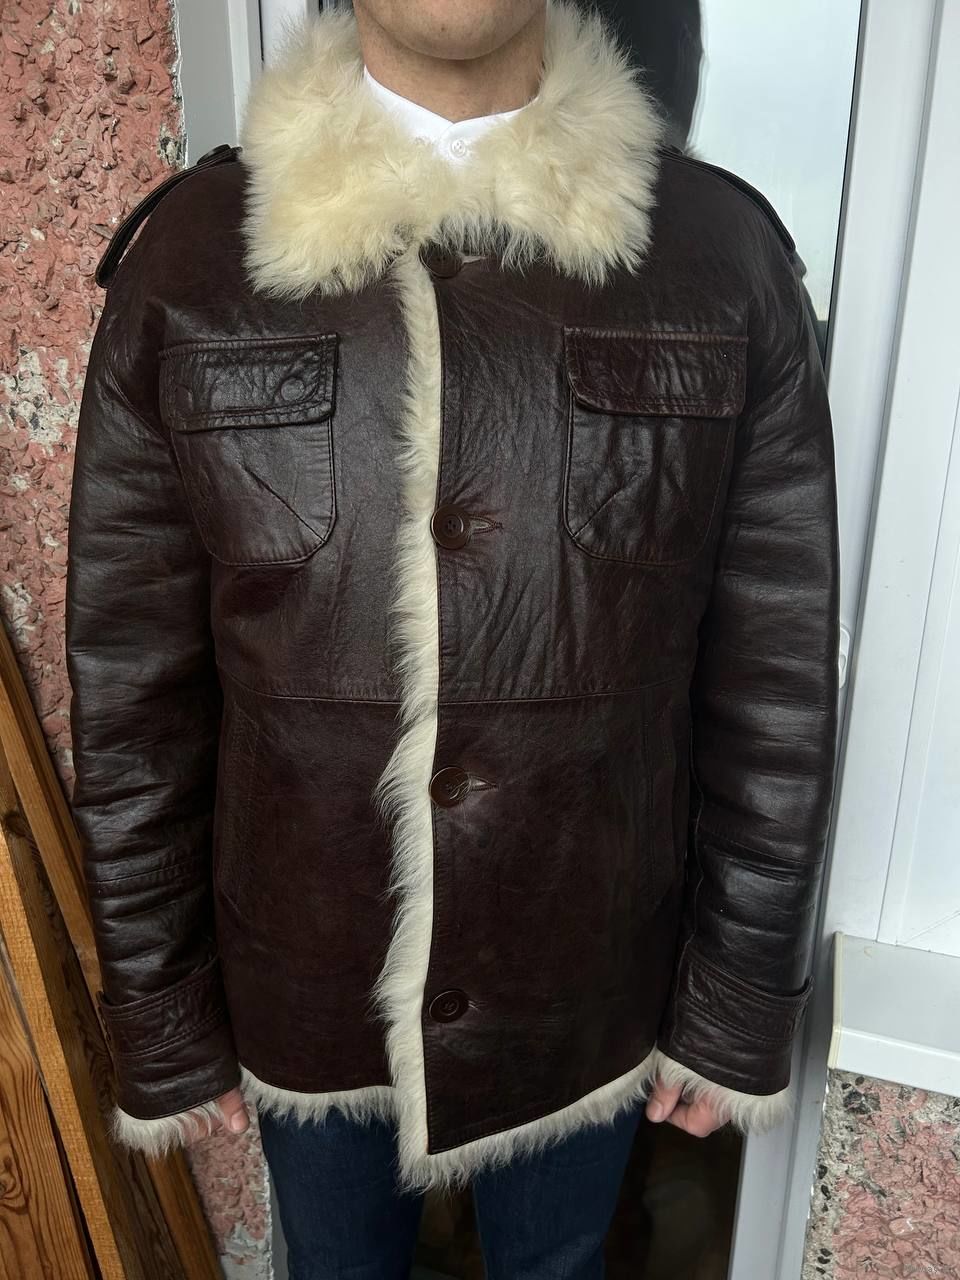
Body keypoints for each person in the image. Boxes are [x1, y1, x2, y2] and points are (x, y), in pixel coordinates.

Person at [64, 0, 841, 1275]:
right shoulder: (192, 256)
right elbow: (134, 683)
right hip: (304, 974)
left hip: (593, 981)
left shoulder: (719, 255)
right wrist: (158, 1004)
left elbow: (775, 680)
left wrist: (737, 1002)